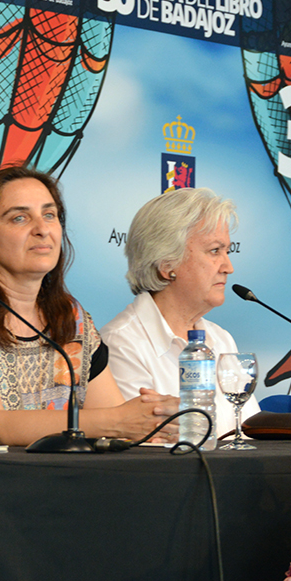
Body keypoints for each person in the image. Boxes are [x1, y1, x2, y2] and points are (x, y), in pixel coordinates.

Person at [0, 167, 178, 447]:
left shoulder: (70, 316)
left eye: (49, 215)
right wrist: (115, 421)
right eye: (19, 218)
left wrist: (151, 420)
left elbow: (116, 422)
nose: (42, 229)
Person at [100, 188, 260, 440]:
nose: (229, 267)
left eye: (227, 251)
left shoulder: (221, 339)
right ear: (167, 265)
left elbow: (249, 434)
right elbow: (143, 445)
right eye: (215, 251)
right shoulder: (120, 344)